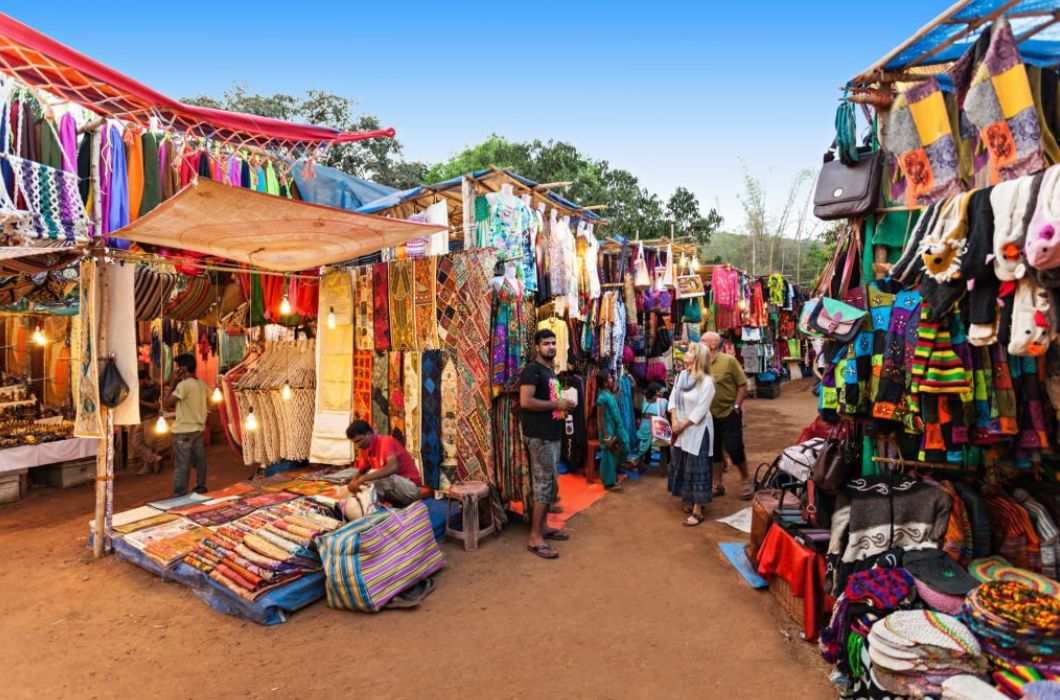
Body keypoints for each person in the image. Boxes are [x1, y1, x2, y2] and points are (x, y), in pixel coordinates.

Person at [519, 329, 575, 559]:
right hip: (539, 436)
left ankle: (542, 527)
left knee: (550, 484)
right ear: (536, 347)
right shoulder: (533, 370)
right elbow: (526, 401)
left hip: (551, 434)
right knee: (542, 484)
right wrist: (556, 405)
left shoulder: (549, 371)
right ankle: (534, 538)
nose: (551, 347)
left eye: (553, 343)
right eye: (546, 343)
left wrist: (563, 405)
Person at [668, 343, 716, 526]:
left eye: (690, 351)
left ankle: (698, 509)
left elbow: (701, 410)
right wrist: (674, 420)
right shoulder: (682, 376)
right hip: (681, 428)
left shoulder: (707, 382)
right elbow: (673, 398)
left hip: (698, 429)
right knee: (684, 462)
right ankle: (690, 500)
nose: (686, 353)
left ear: (698, 358)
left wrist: (682, 424)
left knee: (698, 466)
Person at [703, 331, 751, 500]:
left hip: (729, 412)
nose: (700, 343)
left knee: (734, 447)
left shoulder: (729, 361)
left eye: (703, 341)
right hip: (709, 415)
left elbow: (742, 384)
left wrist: (736, 405)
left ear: (713, 344)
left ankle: (746, 480)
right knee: (714, 450)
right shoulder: (701, 363)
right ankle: (717, 484)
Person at [345, 420, 424, 506]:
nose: (357, 446)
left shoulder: (386, 442)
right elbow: (361, 471)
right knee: (363, 482)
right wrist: (353, 482)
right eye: (354, 442)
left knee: (373, 476)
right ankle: (373, 507)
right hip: (397, 491)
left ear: (368, 434)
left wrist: (362, 479)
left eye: (358, 441)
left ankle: (376, 509)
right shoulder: (366, 449)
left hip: (411, 489)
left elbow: (393, 467)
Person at [163, 354, 210, 496]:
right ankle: (200, 486)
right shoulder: (201, 384)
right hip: (197, 429)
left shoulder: (183, 385)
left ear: (183, 369)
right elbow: (210, 400)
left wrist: (172, 383)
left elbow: (166, 402)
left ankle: (180, 493)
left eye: (177, 367)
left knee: (182, 464)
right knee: (200, 461)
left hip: (183, 431)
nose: (175, 370)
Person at [595, 370, 627, 491]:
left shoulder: (609, 393)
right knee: (608, 454)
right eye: (609, 378)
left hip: (614, 426)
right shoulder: (602, 397)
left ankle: (612, 478)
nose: (612, 379)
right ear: (604, 383)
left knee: (616, 452)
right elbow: (601, 417)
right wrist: (606, 436)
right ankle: (609, 483)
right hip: (607, 429)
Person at [130, 369, 163, 475]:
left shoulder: (154, 390)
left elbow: (157, 406)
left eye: (139, 381)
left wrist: (140, 402)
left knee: (149, 444)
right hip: (141, 419)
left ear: (145, 379)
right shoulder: (139, 389)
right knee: (136, 443)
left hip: (151, 418)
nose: (138, 383)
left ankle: (149, 466)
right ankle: (155, 459)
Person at [635, 382, 669, 469]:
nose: (663, 391)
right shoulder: (663, 401)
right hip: (656, 432)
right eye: (661, 390)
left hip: (643, 430)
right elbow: (670, 411)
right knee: (668, 440)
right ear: (657, 392)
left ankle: (645, 461)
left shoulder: (645, 400)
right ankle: (667, 462)